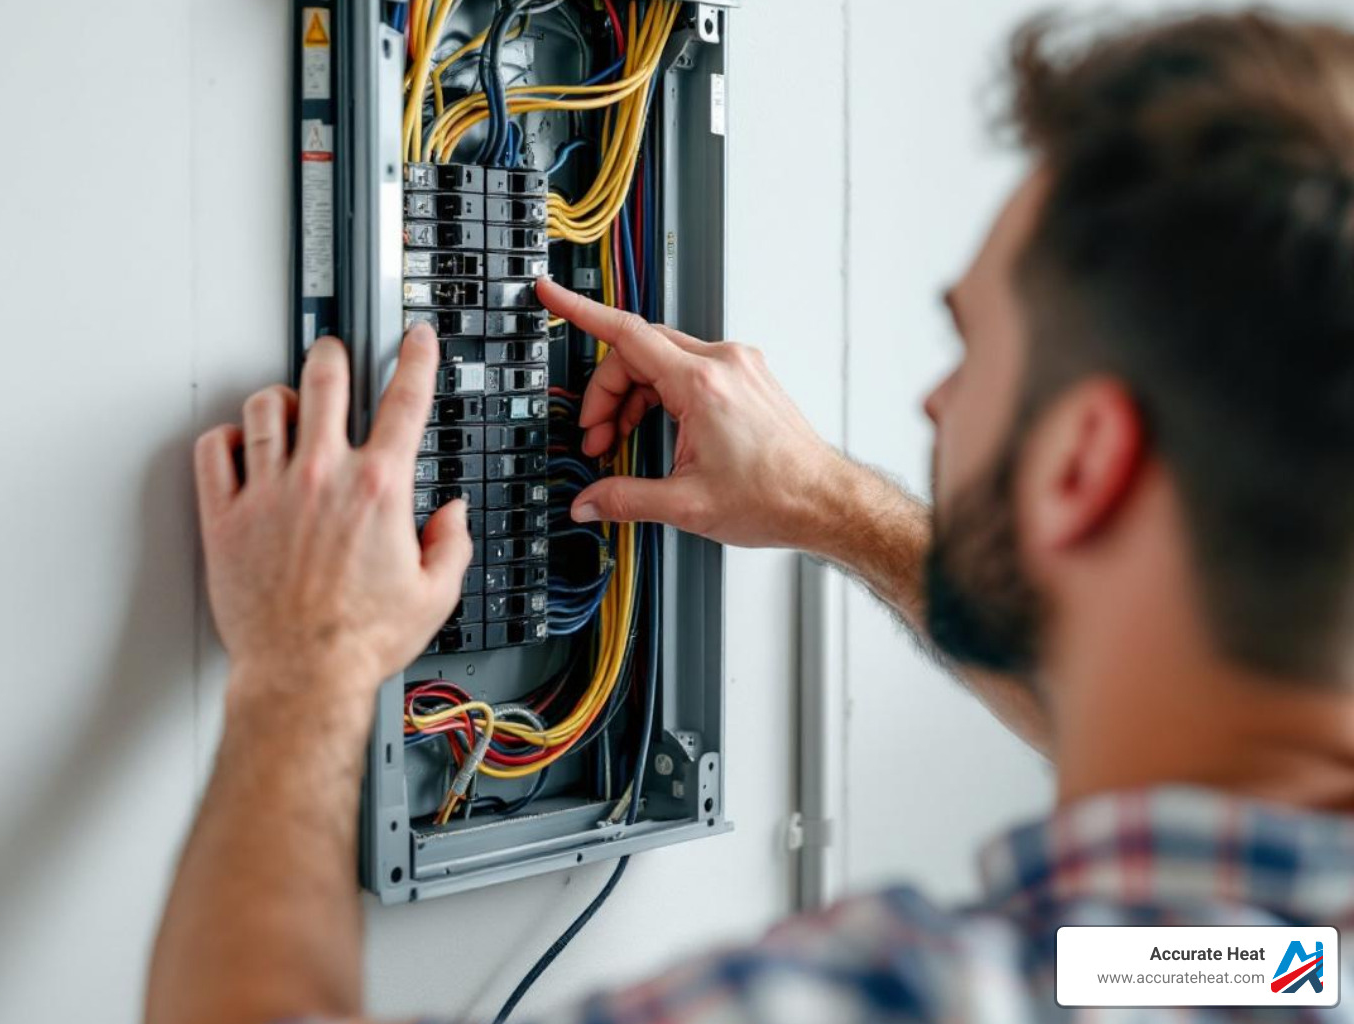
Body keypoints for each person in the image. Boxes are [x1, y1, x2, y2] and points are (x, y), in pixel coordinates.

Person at [146, 9, 1354, 1024]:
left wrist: (305, 668)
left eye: (970, 342)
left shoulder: (910, 998)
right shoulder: (1272, 960)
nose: (934, 396)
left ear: (1083, 462)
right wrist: (830, 503)